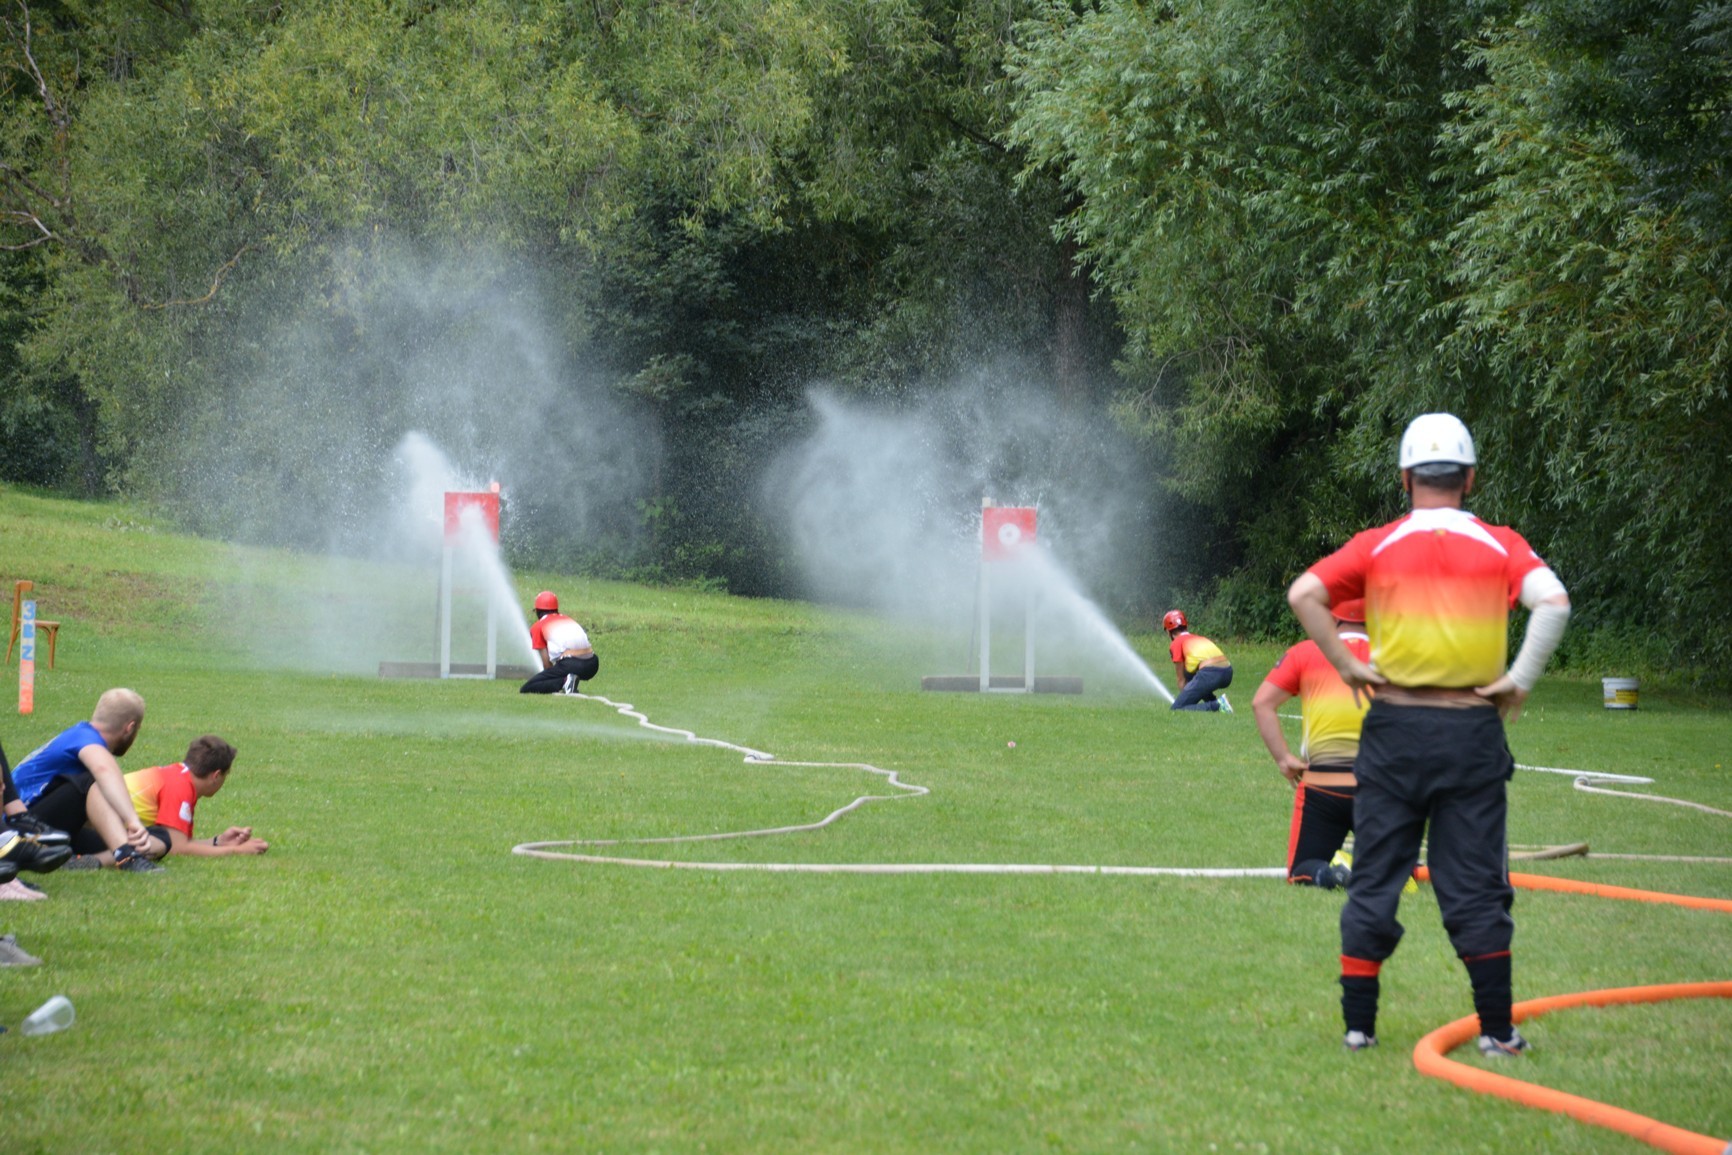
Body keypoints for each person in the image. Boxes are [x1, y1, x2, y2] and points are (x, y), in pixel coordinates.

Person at [1286, 412, 1570, 1059]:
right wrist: (1518, 680)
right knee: (1474, 883)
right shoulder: (1500, 543)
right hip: (1471, 731)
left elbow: (1304, 593)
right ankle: (1497, 1032)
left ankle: (1358, 1028)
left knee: (1375, 876)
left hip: (1393, 730)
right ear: (1469, 478)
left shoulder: (1378, 543)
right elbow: (1553, 603)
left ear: (1405, 478)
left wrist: (1346, 663)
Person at [1251, 598, 1370, 889]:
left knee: (1302, 869)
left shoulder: (1304, 652)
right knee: (1395, 865)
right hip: (1382, 788)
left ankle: (1329, 876)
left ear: (1331, 614)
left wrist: (1284, 759)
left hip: (1322, 787)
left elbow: (1262, 703)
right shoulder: (1400, 656)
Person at [63, 735, 268, 870]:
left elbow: (181, 843)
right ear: (216, 775)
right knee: (159, 841)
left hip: (78, 826)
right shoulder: (179, 787)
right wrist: (237, 851)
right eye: (225, 775)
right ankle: (92, 862)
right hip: (79, 832)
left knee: (160, 837)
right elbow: (178, 848)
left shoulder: (176, 775)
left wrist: (218, 841)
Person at [13, 689, 155, 870]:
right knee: (90, 781)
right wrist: (132, 820)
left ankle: (77, 861)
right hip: (18, 830)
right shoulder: (85, 739)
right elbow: (103, 770)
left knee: (156, 837)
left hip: (50, 824)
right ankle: (127, 858)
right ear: (130, 728)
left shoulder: (81, 734)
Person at [520, 590, 599, 695]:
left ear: (538, 611)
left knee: (528, 687)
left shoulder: (538, 626)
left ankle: (565, 682)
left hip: (571, 664)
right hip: (593, 665)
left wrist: (549, 678)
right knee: (561, 671)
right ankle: (569, 680)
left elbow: (546, 664)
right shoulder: (567, 619)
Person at [1163, 610, 1233, 712]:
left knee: (1177, 708)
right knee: (1191, 675)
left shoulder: (1176, 643)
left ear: (1169, 631)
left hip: (1210, 673)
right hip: (1227, 672)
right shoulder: (1198, 638)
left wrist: (1183, 698)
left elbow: (1181, 679)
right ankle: (1213, 701)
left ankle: (1217, 705)